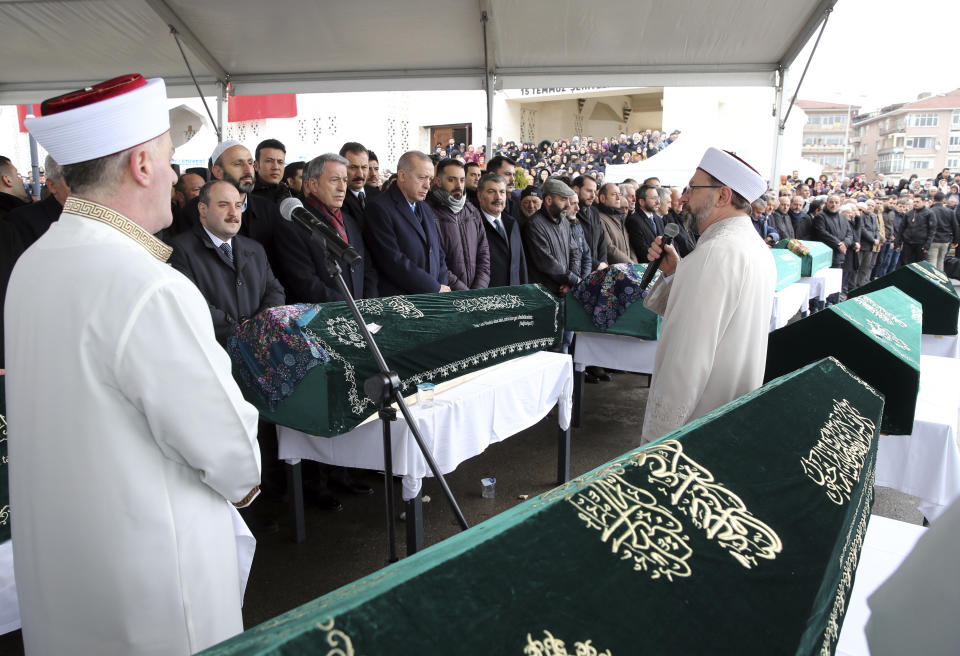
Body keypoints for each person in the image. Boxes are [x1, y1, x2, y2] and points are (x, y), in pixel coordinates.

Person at [10, 73, 261, 655]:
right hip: (155, 589)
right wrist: (246, 484)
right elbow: (232, 455)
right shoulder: (148, 285)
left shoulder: (34, 264)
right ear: (142, 166)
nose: (176, 177)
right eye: (170, 161)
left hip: (64, 575)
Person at [641, 148, 775, 443]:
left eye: (693, 188)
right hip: (727, 420)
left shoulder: (716, 252)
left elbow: (686, 360)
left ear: (723, 196)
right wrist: (676, 272)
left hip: (694, 428)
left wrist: (656, 444)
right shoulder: (753, 247)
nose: (684, 198)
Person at [169, 179, 285, 342]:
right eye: (223, 205)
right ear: (203, 209)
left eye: (238, 206)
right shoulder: (180, 250)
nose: (234, 213)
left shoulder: (255, 249)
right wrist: (241, 332)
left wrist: (258, 326)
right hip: (213, 352)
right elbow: (192, 306)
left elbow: (275, 291)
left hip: (257, 347)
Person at [364, 150, 450, 295]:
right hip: (402, 301)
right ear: (402, 176)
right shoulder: (379, 208)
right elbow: (392, 260)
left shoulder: (425, 207)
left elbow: (437, 251)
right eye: (422, 178)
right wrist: (433, 287)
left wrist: (441, 284)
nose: (427, 186)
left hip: (433, 297)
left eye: (430, 179)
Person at [427, 158, 490, 290]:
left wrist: (479, 289)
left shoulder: (472, 211)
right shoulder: (428, 212)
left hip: (476, 293)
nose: (458, 185)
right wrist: (462, 290)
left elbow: (484, 254)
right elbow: (436, 261)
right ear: (438, 181)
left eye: (462, 180)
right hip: (447, 294)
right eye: (452, 180)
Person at [522, 178, 581, 294]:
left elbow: (574, 251)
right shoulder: (534, 225)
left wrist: (572, 280)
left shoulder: (564, 221)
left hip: (565, 289)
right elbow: (547, 262)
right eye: (563, 199)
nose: (568, 204)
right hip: (544, 294)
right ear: (549, 200)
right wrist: (572, 280)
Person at [477, 173, 527, 287]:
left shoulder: (512, 223)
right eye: (491, 191)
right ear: (480, 196)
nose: (498, 197)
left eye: (502, 192)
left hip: (514, 296)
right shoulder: (473, 225)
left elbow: (520, 263)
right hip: (488, 297)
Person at [251, 138, 292, 205]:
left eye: (280, 162)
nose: (276, 167)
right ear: (256, 166)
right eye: (269, 161)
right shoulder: (244, 193)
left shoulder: (285, 190)